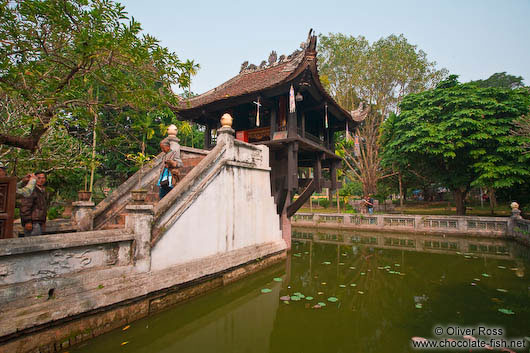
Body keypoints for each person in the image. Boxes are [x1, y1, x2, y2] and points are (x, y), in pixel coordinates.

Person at [20, 171, 48, 236]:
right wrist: (27, 222)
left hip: (39, 222)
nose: (41, 180)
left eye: (43, 178)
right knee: (31, 243)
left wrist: (43, 222)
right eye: (39, 178)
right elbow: (25, 206)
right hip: (33, 223)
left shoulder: (42, 191)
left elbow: (42, 208)